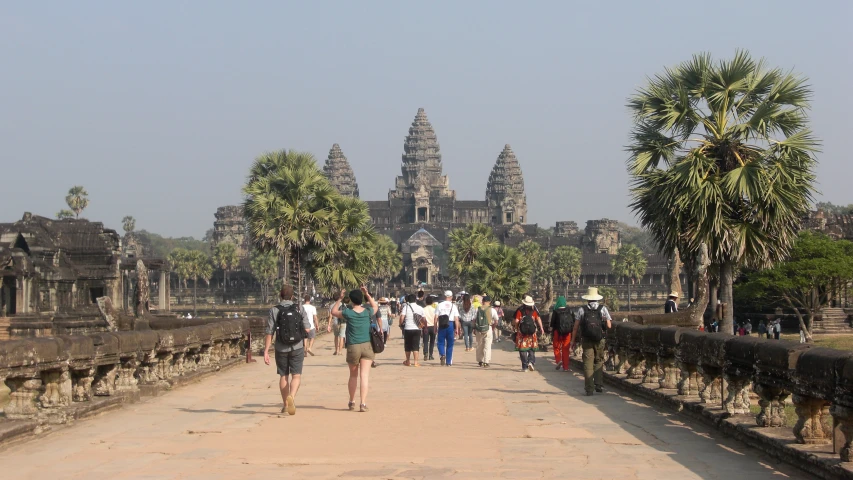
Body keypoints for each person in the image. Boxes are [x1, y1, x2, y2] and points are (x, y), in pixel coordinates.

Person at [263, 285, 312, 415]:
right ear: (292, 296)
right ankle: (292, 397)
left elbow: (269, 332)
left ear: (280, 295)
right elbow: (307, 329)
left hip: (280, 347)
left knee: (283, 375)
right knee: (296, 375)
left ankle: (285, 404)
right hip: (297, 346)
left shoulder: (274, 310)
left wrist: (266, 350)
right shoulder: (299, 308)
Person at [331, 285, 379, 412]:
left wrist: (340, 299)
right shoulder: (367, 312)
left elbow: (334, 312)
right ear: (361, 300)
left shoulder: (348, 312)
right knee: (364, 376)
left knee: (353, 375)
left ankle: (352, 401)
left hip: (353, 346)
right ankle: (363, 403)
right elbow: (375, 306)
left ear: (351, 300)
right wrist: (367, 294)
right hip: (367, 345)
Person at [570, 287, 613, 396]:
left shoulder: (582, 309)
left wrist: (572, 341)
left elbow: (575, 327)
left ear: (587, 298)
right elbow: (609, 325)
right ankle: (598, 385)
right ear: (597, 298)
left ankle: (589, 388)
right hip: (600, 339)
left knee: (588, 363)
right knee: (599, 361)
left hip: (586, 339)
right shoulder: (603, 309)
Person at [514, 295, 544, 372]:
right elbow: (538, 319)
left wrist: (516, 328)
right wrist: (541, 328)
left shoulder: (520, 310)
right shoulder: (534, 311)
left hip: (522, 333)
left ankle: (525, 367)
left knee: (522, 350)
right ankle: (531, 362)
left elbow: (517, 321)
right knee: (531, 349)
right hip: (532, 333)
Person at [435, 290, 461, 366]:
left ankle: (442, 354)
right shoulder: (454, 306)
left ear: (444, 296)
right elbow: (456, 319)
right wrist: (456, 329)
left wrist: (435, 327)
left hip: (442, 324)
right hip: (450, 324)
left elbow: (435, 317)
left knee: (440, 342)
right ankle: (448, 362)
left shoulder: (439, 305)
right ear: (451, 297)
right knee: (450, 344)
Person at [399, 293, 424, 367]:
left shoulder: (406, 307)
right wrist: (422, 325)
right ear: (415, 300)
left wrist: (401, 325)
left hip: (408, 328)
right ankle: (416, 362)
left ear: (408, 300)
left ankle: (408, 361)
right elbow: (423, 318)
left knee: (407, 346)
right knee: (416, 345)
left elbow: (402, 317)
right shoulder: (420, 308)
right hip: (417, 329)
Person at [550, 296, 573, 372]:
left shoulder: (556, 311)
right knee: (565, 349)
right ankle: (565, 367)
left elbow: (552, 323)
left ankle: (558, 360)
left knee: (556, 347)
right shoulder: (569, 310)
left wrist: (551, 329)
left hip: (557, 332)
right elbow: (572, 321)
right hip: (567, 333)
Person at [474, 296, 496, 367]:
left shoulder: (477, 309)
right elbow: (496, 320)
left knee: (479, 345)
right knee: (487, 345)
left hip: (479, 329)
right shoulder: (492, 310)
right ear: (489, 302)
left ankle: (480, 361)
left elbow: (474, 320)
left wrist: (474, 328)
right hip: (488, 328)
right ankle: (486, 362)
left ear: (482, 301)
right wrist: (493, 327)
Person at [422, 294, 437, 360]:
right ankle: (431, 355)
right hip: (433, 326)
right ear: (432, 302)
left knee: (425, 341)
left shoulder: (423, 309)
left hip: (426, 327)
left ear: (425, 302)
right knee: (432, 341)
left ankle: (425, 353)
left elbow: (422, 319)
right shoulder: (434, 310)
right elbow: (436, 319)